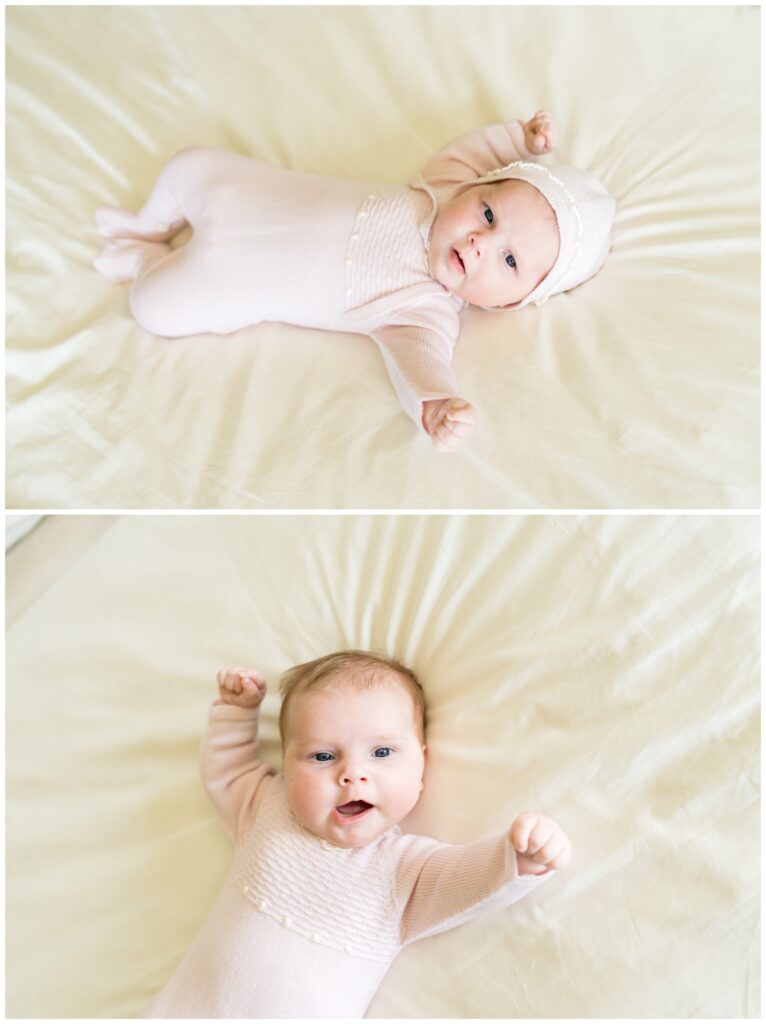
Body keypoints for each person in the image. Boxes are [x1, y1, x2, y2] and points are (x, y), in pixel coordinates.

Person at [95, 112, 615, 452]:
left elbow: (420, 361)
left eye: (508, 262)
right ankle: (147, 226)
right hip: (247, 194)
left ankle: (144, 265)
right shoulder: (443, 185)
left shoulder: (423, 311)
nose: (481, 242)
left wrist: (436, 405)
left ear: (511, 304)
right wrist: (520, 139)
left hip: (235, 281)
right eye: (487, 213)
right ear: (475, 190)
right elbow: (477, 153)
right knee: (190, 165)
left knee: (154, 307)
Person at [139, 651, 572, 1018]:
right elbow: (227, 772)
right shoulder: (268, 808)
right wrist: (237, 714)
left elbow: (470, 880)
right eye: (323, 756)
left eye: (382, 753)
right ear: (287, 768)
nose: (352, 775)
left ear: (421, 766)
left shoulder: (406, 869)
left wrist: (521, 857)